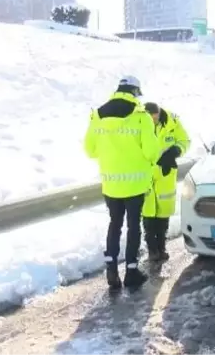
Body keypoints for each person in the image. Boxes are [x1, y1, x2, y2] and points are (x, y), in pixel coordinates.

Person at [84, 75, 160, 290]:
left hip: (111, 183)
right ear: (135, 92)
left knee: (114, 224)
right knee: (133, 226)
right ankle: (132, 271)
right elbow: (151, 152)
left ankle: (111, 268)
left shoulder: (97, 115)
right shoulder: (140, 116)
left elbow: (90, 150)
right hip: (135, 185)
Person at [141, 102, 190, 261]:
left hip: (165, 174)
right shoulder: (139, 121)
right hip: (145, 175)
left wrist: (175, 152)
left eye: (155, 119)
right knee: (148, 213)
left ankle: (161, 246)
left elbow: (184, 140)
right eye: (151, 120)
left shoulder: (172, 122)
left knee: (163, 213)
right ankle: (152, 249)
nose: (153, 122)